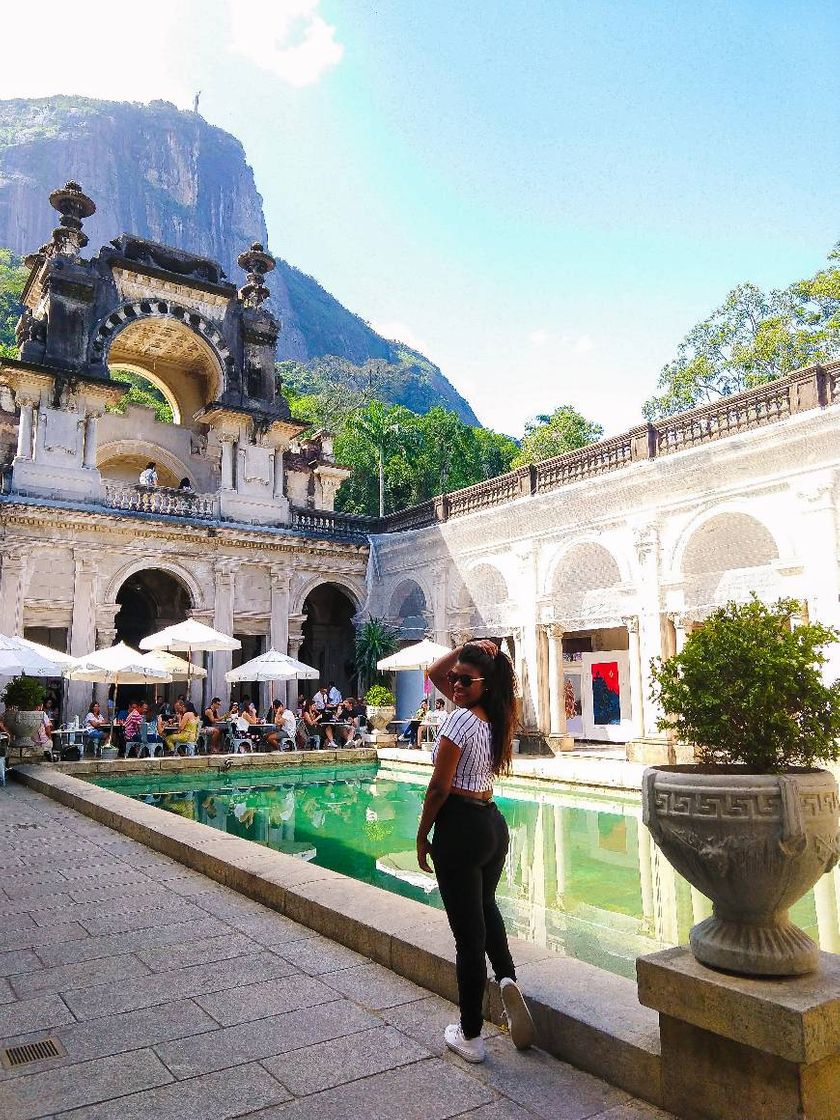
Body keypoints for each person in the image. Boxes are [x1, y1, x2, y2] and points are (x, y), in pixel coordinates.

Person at [416, 640, 535, 1064]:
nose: (455, 683)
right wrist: (466, 650)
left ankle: (470, 1036)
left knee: (468, 938)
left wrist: (421, 834)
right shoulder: (498, 715)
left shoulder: (460, 722)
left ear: (483, 683)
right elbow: (434, 673)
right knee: (486, 906)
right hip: (491, 823)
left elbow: (438, 787)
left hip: (461, 826)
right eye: (456, 679)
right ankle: (507, 979)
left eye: (465, 680)